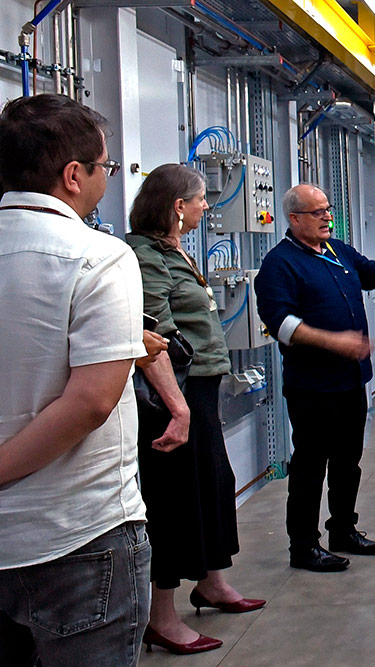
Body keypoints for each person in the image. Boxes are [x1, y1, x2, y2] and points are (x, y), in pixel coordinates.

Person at [0, 94, 151, 666]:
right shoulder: (99, 257)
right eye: (105, 168)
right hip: (77, 537)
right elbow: (89, 402)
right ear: (72, 175)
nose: (107, 179)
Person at [127, 164, 265, 655]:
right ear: (175, 206)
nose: (208, 206)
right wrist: (177, 406)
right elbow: (154, 336)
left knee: (213, 486)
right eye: (201, 198)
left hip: (200, 391)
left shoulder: (173, 250)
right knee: (174, 500)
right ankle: (160, 616)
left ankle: (211, 581)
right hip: (173, 398)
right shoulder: (144, 256)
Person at [255, 183, 375, 572]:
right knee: (309, 467)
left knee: (347, 461)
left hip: (351, 381)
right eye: (318, 212)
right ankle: (303, 547)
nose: (328, 217)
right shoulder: (280, 264)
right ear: (294, 219)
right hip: (313, 387)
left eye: (328, 209)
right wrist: (333, 341)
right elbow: (282, 324)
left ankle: (343, 529)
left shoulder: (338, 252)